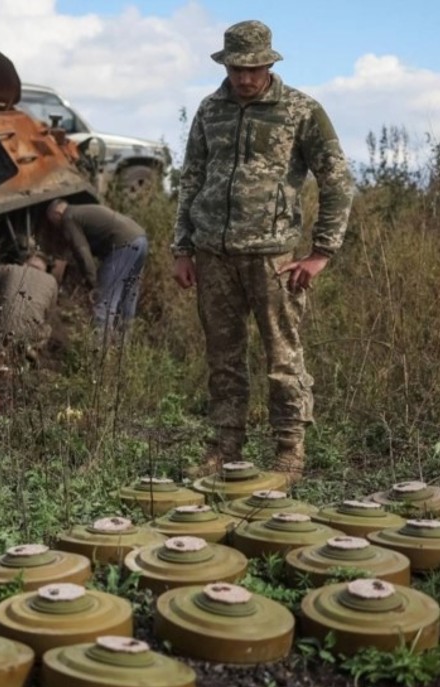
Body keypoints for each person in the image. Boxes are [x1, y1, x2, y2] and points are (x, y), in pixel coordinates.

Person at [172, 20, 355, 481]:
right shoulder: (210, 109)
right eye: (237, 68)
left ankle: (289, 451)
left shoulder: (301, 110)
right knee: (223, 359)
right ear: (227, 65)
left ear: (270, 63)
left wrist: (321, 253)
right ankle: (225, 448)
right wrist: (182, 247)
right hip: (213, 254)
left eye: (254, 68)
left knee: (282, 357)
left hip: (275, 258)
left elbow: (337, 181)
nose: (245, 78)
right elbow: (191, 178)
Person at [45, 199, 148, 343]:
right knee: (127, 301)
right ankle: (122, 349)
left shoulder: (68, 217)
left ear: (57, 213)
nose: (57, 228)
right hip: (140, 240)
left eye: (53, 223)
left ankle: (99, 354)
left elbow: (82, 252)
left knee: (104, 303)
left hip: (123, 244)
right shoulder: (83, 210)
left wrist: (93, 283)